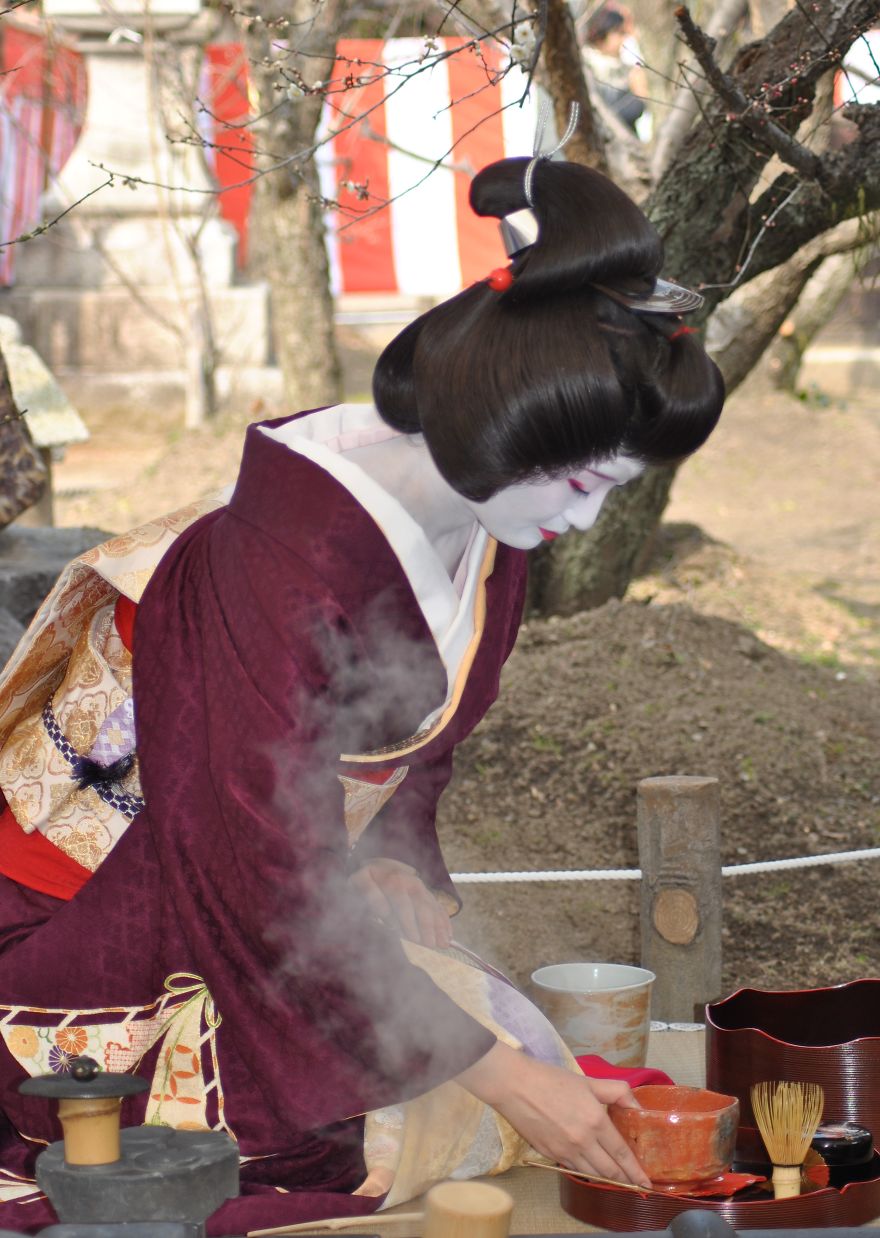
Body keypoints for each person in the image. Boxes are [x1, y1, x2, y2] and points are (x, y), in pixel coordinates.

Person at [0, 152, 724, 1235]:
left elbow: (416, 749)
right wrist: (496, 1072)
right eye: (582, 483)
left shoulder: (486, 511)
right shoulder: (270, 564)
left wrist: (392, 862)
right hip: (106, 903)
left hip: (255, 871)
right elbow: (254, 869)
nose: (580, 521)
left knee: (499, 1052)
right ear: (507, 420)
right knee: (329, 1139)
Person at [582, 6, 650, 135]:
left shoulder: (622, 68)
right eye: (619, 33)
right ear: (602, 35)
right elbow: (614, 115)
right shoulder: (589, 68)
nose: (623, 39)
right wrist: (639, 97)